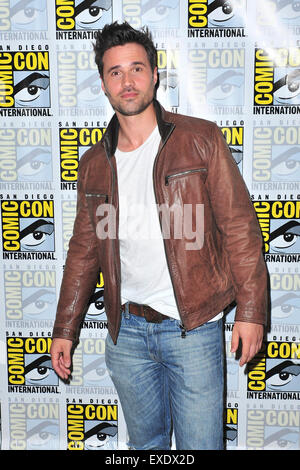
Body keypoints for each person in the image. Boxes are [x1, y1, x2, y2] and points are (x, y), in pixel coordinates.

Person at [50, 21, 268, 450]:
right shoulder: (94, 162)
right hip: (126, 334)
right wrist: (64, 328)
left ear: (154, 75)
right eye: (116, 72)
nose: (127, 82)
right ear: (103, 84)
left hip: (194, 329)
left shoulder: (200, 139)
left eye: (136, 69)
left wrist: (252, 311)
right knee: (144, 448)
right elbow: (83, 251)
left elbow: (240, 228)